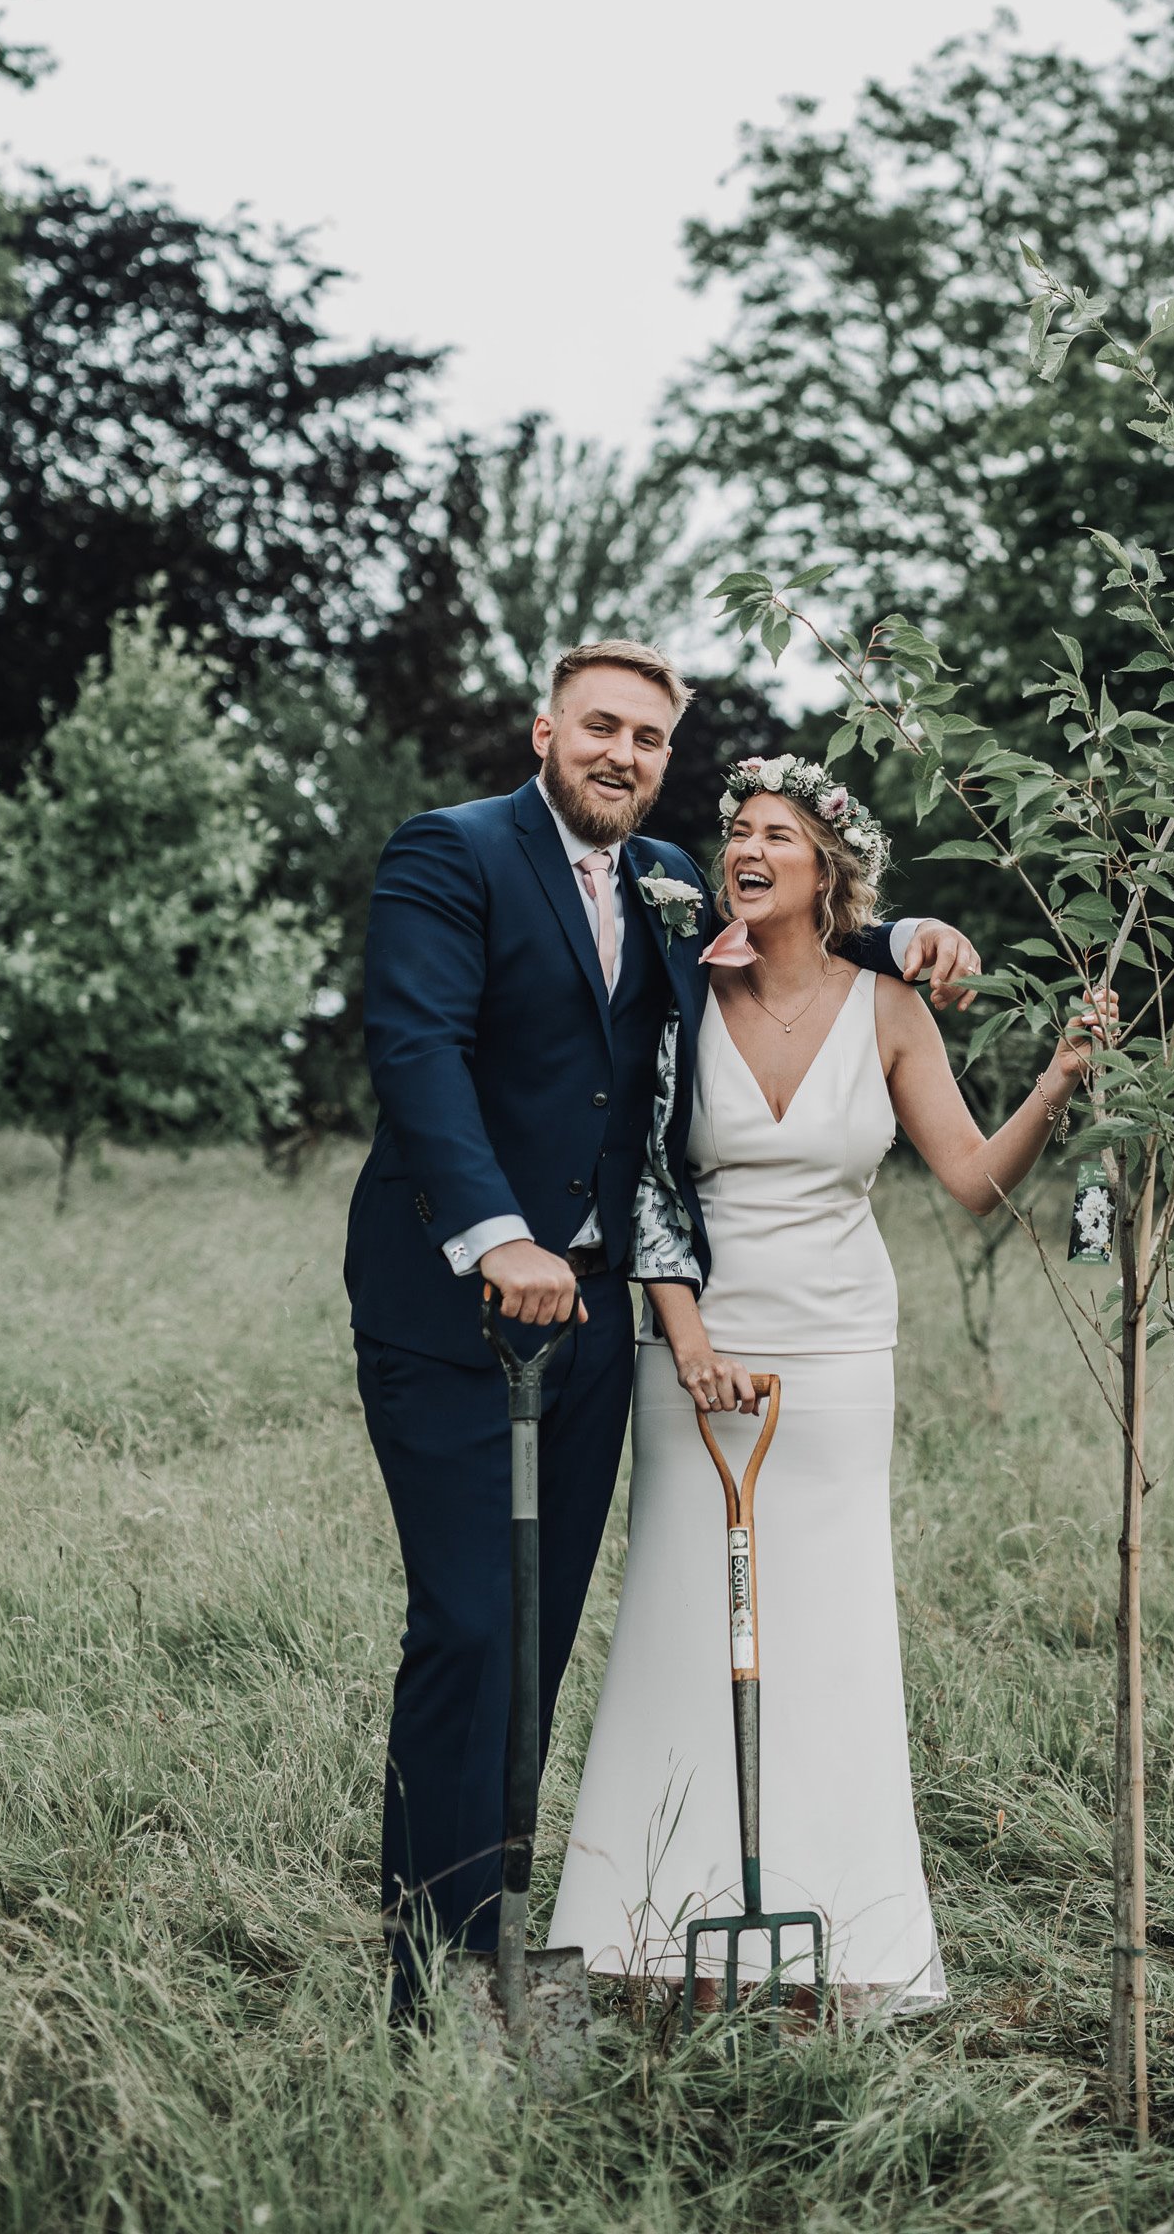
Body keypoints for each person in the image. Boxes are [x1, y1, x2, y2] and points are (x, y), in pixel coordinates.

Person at [345, 641, 982, 2014]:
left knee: (537, 1639)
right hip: (457, 1310)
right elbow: (416, 1053)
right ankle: (427, 1971)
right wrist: (495, 1233)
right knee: (466, 1628)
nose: (623, 753)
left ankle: (504, 1953)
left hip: (587, 1333)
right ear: (544, 731)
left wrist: (909, 940)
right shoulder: (448, 855)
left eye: (648, 738)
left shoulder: (662, 884)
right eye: (600, 727)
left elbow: (795, 938)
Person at [548, 753, 1114, 2010]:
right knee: (682, 1628)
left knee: (835, 1637)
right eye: (737, 831)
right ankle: (652, 1930)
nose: (746, 850)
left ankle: (845, 1942)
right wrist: (686, 1340)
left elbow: (971, 1179)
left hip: (844, 1353)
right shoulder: (679, 992)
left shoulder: (888, 1007)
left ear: (829, 872)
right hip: (696, 1352)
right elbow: (647, 1180)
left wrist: (1062, 1082)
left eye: (778, 837)